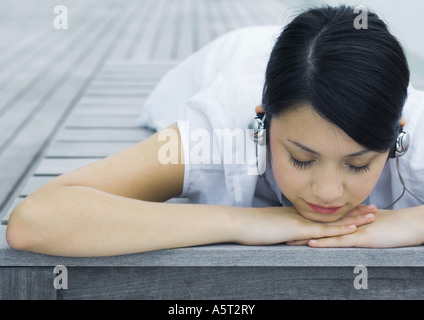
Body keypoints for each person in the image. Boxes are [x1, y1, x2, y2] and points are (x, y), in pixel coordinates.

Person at [6, 5, 424, 257]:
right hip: (230, 56)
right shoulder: (218, 130)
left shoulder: (415, 127)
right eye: (301, 157)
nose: (329, 192)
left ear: (397, 136)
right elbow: (36, 220)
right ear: (263, 121)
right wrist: (242, 222)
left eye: (358, 163)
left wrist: (410, 225)